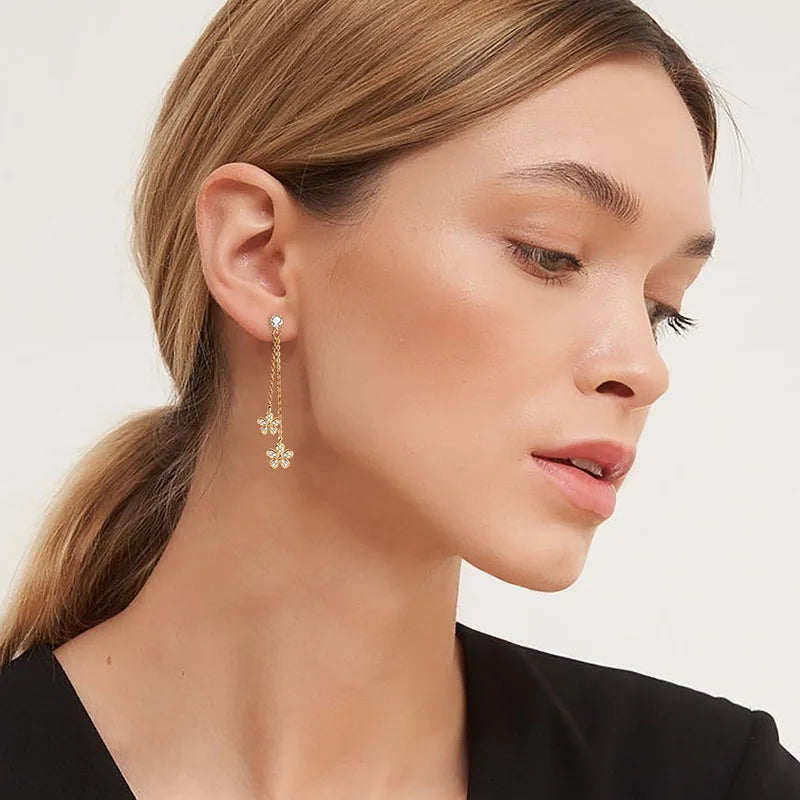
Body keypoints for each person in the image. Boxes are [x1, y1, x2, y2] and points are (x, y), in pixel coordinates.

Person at [1, 0, 798, 797]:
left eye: (663, 308)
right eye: (549, 254)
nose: (643, 368)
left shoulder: (717, 783)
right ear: (260, 257)